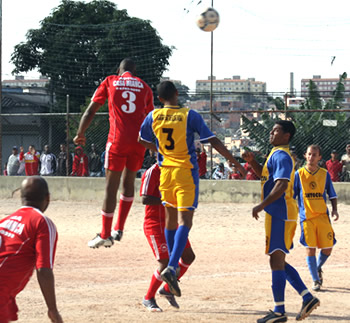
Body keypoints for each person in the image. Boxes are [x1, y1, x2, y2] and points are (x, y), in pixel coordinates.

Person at [139, 80, 246, 297]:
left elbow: (142, 140)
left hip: (165, 172)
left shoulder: (153, 116)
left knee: (170, 220)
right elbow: (213, 140)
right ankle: (171, 268)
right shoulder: (189, 115)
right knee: (185, 221)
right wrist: (234, 162)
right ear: (177, 94)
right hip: (185, 172)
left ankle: (171, 263)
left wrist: (157, 149)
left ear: (159, 99)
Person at [242, 120, 319, 323]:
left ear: (286, 136)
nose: (271, 133)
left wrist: (260, 205)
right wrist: (252, 162)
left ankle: (279, 311)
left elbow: (282, 185)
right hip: (278, 212)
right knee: (278, 260)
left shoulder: (283, 156)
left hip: (281, 212)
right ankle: (306, 298)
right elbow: (266, 178)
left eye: (276, 130)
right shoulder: (275, 154)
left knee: (276, 260)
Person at [73, 58, 154, 248]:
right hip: (139, 142)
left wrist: (80, 133)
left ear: (120, 70)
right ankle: (119, 228)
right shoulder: (144, 87)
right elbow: (151, 118)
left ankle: (105, 234)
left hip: (117, 141)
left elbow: (91, 110)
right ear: (134, 72)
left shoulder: (110, 81)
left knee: (111, 187)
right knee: (128, 183)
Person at [0, 176, 63, 323]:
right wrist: (52, 310)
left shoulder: (5, 221)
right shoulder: (41, 222)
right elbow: (44, 270)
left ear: (21, 198)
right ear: (48, 198)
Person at [140, 163, 195, 312]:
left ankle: (167, 289)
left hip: (171, 223)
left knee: (189, 256)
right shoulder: (153, 171)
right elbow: (145, 198)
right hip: (155, 224)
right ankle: (148, 298)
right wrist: (169, 200)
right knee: (165, 262)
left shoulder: (175, 169)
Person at [294, 145, 339, 292]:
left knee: (328, 248)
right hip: (306, 218)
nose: (311, 157)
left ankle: (317, 268)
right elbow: (292, 195)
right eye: (309, 154)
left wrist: (335, 210)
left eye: (314, 155)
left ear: (319, 157)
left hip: (322, 216)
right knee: (310, 249)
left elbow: (331, 194)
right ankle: (315, 280)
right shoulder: (298, 174)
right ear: (305, 155)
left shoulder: (324, 174)